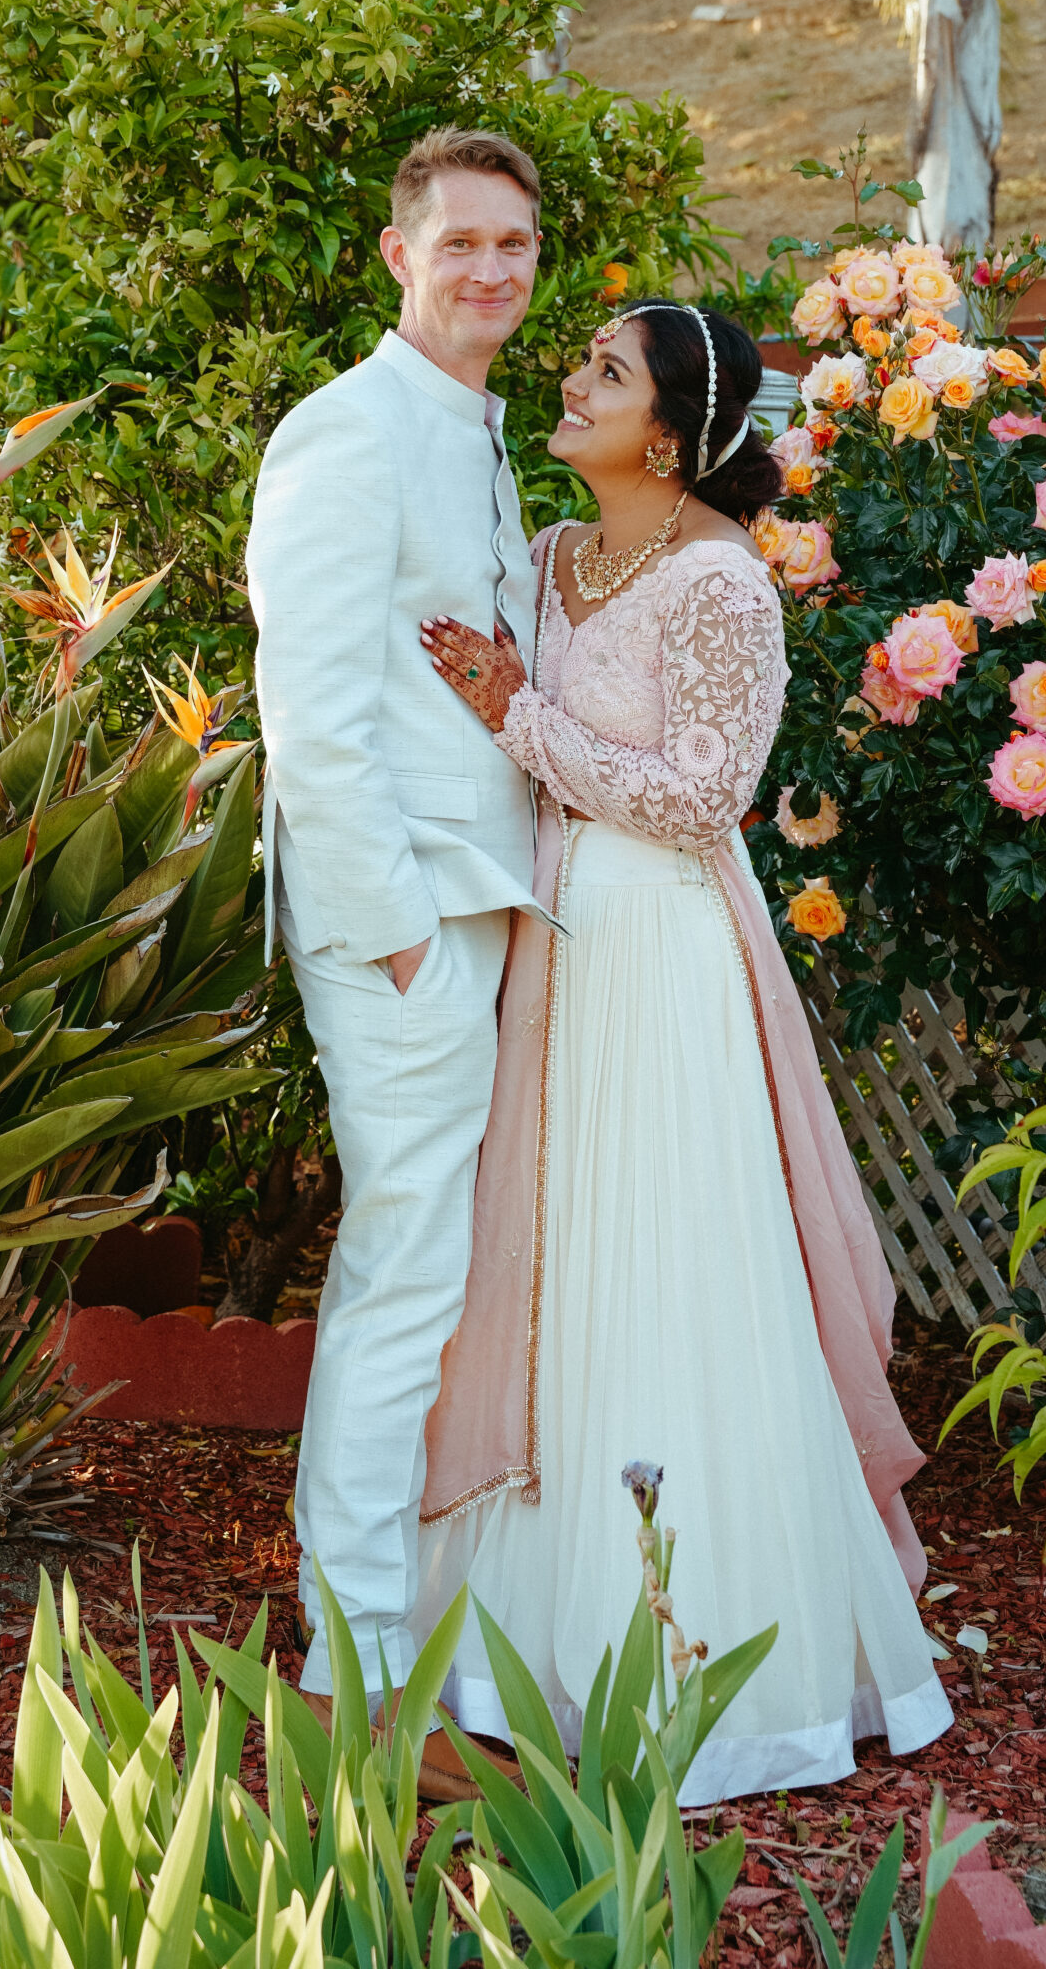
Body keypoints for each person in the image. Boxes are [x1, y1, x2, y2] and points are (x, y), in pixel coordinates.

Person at [415, 300, 953, 1801]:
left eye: (604, 372)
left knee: (662, 1269)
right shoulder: (551, 556)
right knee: (556, 1264)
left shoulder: (725, 587)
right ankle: (525, 1649)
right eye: (580, 356)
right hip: (551, 944)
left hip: (657, 952)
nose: (569, 382)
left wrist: (522, 716)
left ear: (668, 432)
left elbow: (701, 795)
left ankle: (712, 1676)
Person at [245, 126, 551, 1797]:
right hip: (407, 930)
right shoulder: (345, 435)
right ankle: (353, 1680)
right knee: (401, 1285)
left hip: (475, 909)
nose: (491, 272)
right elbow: (314, 725)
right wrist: (403, 942)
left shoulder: (479, 431)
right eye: (462, 246)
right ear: (397, 256)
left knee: (428, 1283)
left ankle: (401, 1642)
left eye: (514, 245)